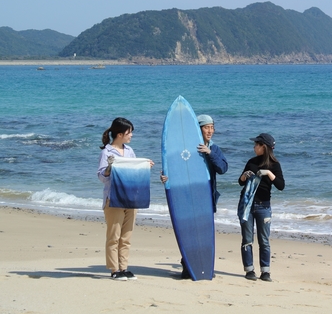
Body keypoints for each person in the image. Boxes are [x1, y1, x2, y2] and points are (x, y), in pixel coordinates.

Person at [160, 114, 228, 279]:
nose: (210, 131)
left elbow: (223, 168)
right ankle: (187, 266)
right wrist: (166, 178)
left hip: (205, 199)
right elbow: (176, 168)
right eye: (206, 127)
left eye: (212, 127)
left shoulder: (214, 148)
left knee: (204, 232)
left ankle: (204, 266)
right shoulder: (186, 149)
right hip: (186, 198)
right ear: (197, 129)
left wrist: (209, 153)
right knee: (188, 231)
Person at [97, 117, 154, 281]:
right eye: (129, 133)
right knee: (113, 236)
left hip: (130, 198)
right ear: (120, 134)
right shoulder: (107, 152)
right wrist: (110, 168)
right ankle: (114, 269)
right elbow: (101, 177)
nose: (131, 136)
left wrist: (144, 165)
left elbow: (133, 170)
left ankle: (124, 267)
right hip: (113, 198)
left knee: (126, 236)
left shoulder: (129, 152)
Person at [238, 133, 285, 282]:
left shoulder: (274, 165)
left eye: (256, 144)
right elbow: (240, 182)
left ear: (263, 147)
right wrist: (244, 176)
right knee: (247, 238)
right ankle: (249, 270)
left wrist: (269, 173)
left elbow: (281, 185)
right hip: (247, 205)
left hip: (263, 206)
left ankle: (265, 272)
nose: (254, 147)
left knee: (264, 240)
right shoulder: (251, 162)